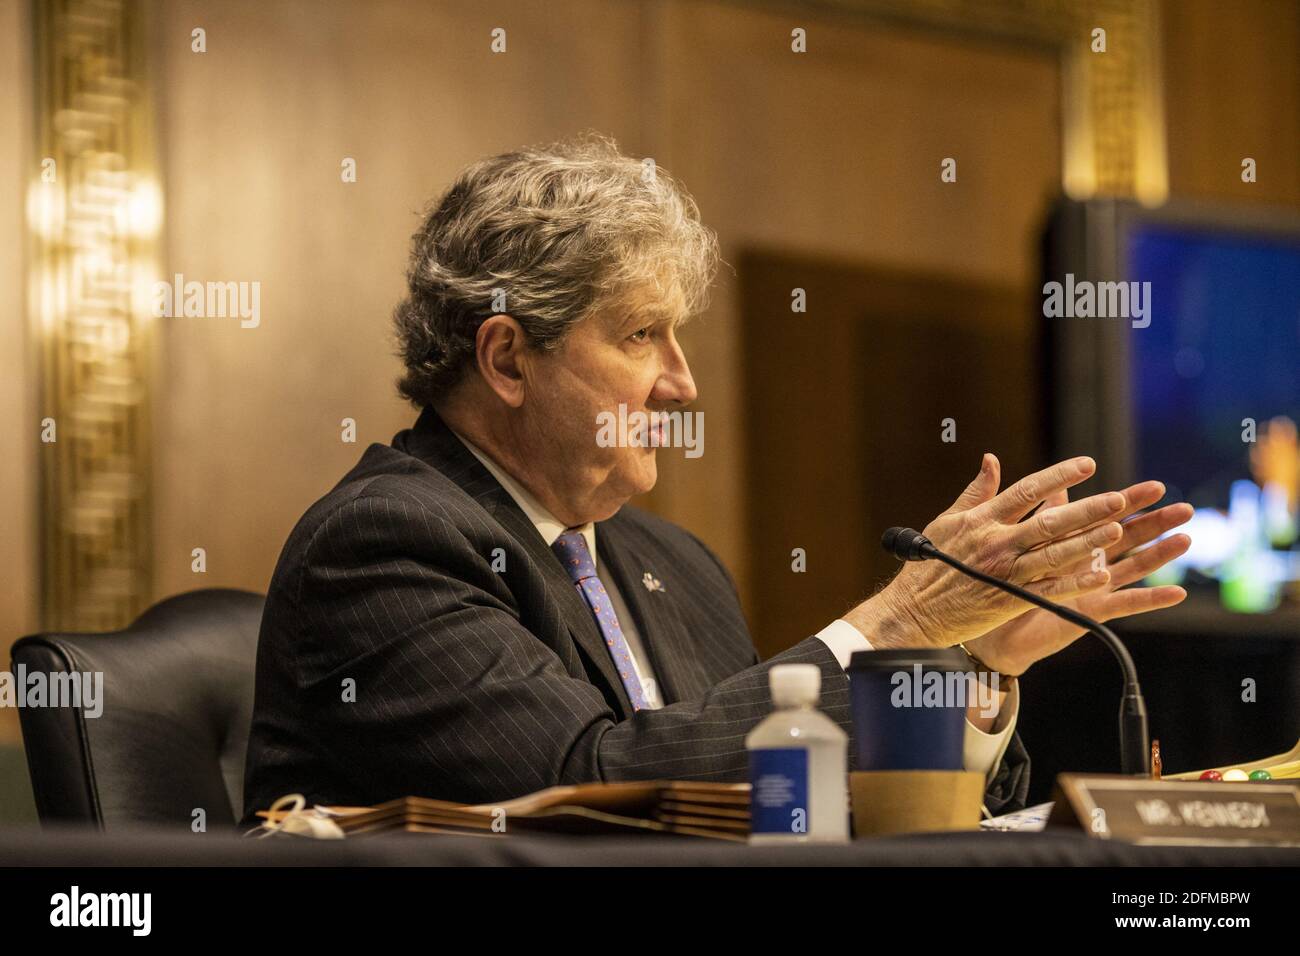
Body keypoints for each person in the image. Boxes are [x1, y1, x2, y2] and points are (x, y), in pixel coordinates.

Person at [240, 133, 1192, 826]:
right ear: (507, 359)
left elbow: (795, 812)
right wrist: (898, 624)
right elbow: (593, 798)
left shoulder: (672, 563)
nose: (682, 381)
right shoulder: (383, 543)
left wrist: (974, 665)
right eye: (640, 334)